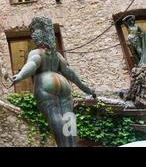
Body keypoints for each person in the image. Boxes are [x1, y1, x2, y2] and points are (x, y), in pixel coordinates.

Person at [11, 16, 96, 147]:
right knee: (69, 116)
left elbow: (32, 65)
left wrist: (20, 75)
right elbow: (69, 72)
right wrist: (85, 88)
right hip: (63, 83)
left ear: (36, 38)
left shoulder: (36, 52)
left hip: (46, 83)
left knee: (55, 116)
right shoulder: (57, 55)